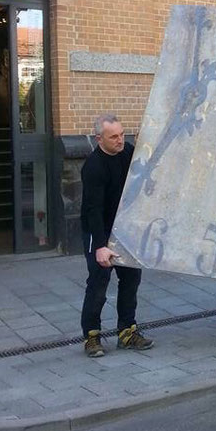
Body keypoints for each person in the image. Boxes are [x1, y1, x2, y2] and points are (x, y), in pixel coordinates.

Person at [80, 113, 153, 357]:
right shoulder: (93, 167)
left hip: (125, 231)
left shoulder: (127, 152)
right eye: (114, 137)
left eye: (122, 135)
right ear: (99, 138)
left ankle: (127, 333)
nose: (120, 140)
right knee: (99, 283)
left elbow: (147, 167)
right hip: (99, 230)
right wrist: (100, 245)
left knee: (131, 280)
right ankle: (92, 337)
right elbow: (93, 210)